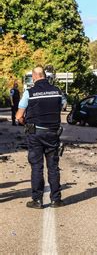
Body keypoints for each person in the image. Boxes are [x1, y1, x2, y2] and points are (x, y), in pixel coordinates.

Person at [16, 66, 64, 209]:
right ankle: (56, 199)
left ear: (34, 76)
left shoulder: (29, 93)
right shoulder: (58, 91)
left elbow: (18, 116)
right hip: (53, 133)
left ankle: (37, 200)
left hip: (35, 133)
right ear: (44, 76)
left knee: (37, 167)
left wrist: (25, 121)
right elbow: (62, 106)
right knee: (53, 167)